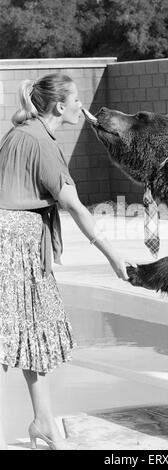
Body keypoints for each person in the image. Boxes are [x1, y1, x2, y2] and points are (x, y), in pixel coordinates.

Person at [0, 73, 136, 450]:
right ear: (60, 107)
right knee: (19, 331)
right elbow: (75, 206)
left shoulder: (23, 132)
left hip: (20, 245)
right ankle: (42, 422)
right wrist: (114, 256)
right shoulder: (40, 142)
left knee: (32, 332)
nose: (84, 108)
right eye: (77, 101)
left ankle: (43, 420)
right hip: (14, 246)